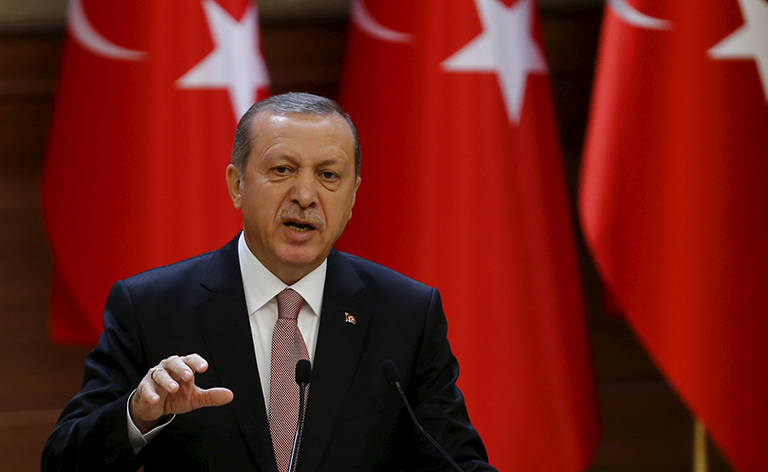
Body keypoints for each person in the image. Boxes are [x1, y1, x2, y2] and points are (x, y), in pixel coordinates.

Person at [42, 92, 495, 472]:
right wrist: (138, 416)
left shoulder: (406, 314)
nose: (304, 194)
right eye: (282, 170)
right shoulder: (151, 308)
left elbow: (453, 460)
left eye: (328, 175)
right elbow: (62, 461)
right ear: (237, 184)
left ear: (353, 195)